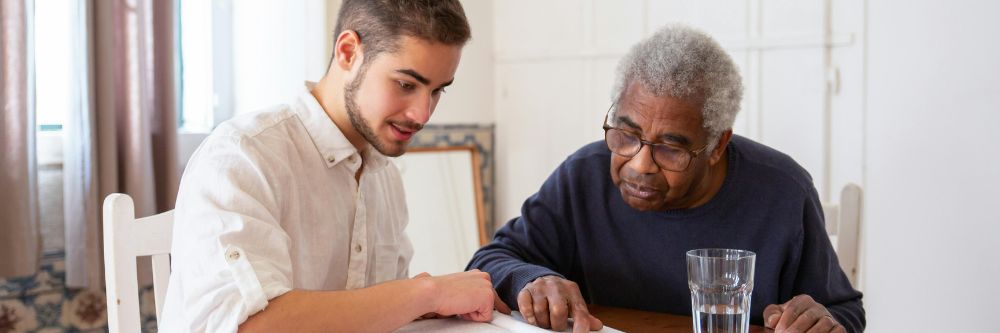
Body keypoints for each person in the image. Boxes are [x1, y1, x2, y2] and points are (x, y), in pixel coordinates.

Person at [468, 24, 865, 333]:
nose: (639, 165)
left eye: (670, 148)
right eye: (625, 135)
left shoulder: (782, 192)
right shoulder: (583, 175)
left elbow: (844, 312)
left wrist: (820, 320)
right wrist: (532, 278)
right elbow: (489, 261)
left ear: (716, 145)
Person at [159, 1, 509, 332]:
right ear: (348, 52)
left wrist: (427, 305)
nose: (422, 114)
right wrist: (427, 293)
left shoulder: (384, 177)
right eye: (405, 84)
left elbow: (376, 312)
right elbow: (248, 326)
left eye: (437, 91)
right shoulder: (242, 157)